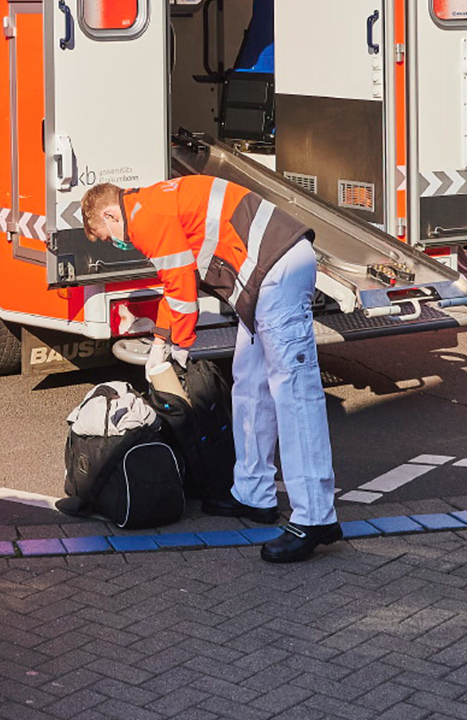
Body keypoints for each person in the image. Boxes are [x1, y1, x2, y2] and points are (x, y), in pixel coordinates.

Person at [81, 176, 341, 564]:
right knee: (250, 383)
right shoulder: (149, 204)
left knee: (294, 393)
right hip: (265, 272)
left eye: (106, 235)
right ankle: (254, 494)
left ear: (109, 213)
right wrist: (162, 341)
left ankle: (316, 517)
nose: (114, 243)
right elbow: (177, 286)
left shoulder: (145, 218)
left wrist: (175, 348)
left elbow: (181, 289)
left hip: (275, 270)